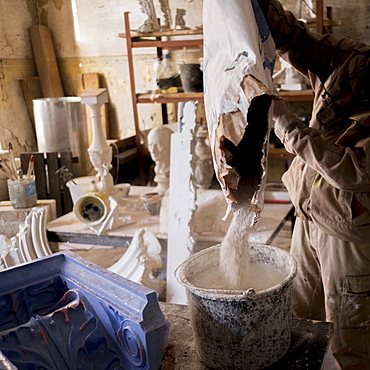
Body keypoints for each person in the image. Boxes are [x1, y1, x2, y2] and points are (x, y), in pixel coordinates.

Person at [257, 0, 370, 369]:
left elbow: (349, 170)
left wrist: (284, 124)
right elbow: (296, 39)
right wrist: (255, 7)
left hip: (349, 232)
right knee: (297, 311)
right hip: (310, 214)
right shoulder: (356, 61)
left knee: (349, 332)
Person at [147, 125, 173, 193]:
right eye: (150, 145)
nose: (153, 150)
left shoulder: (174, 169)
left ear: (170, 146)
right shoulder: (157, 169)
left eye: (158, 145)